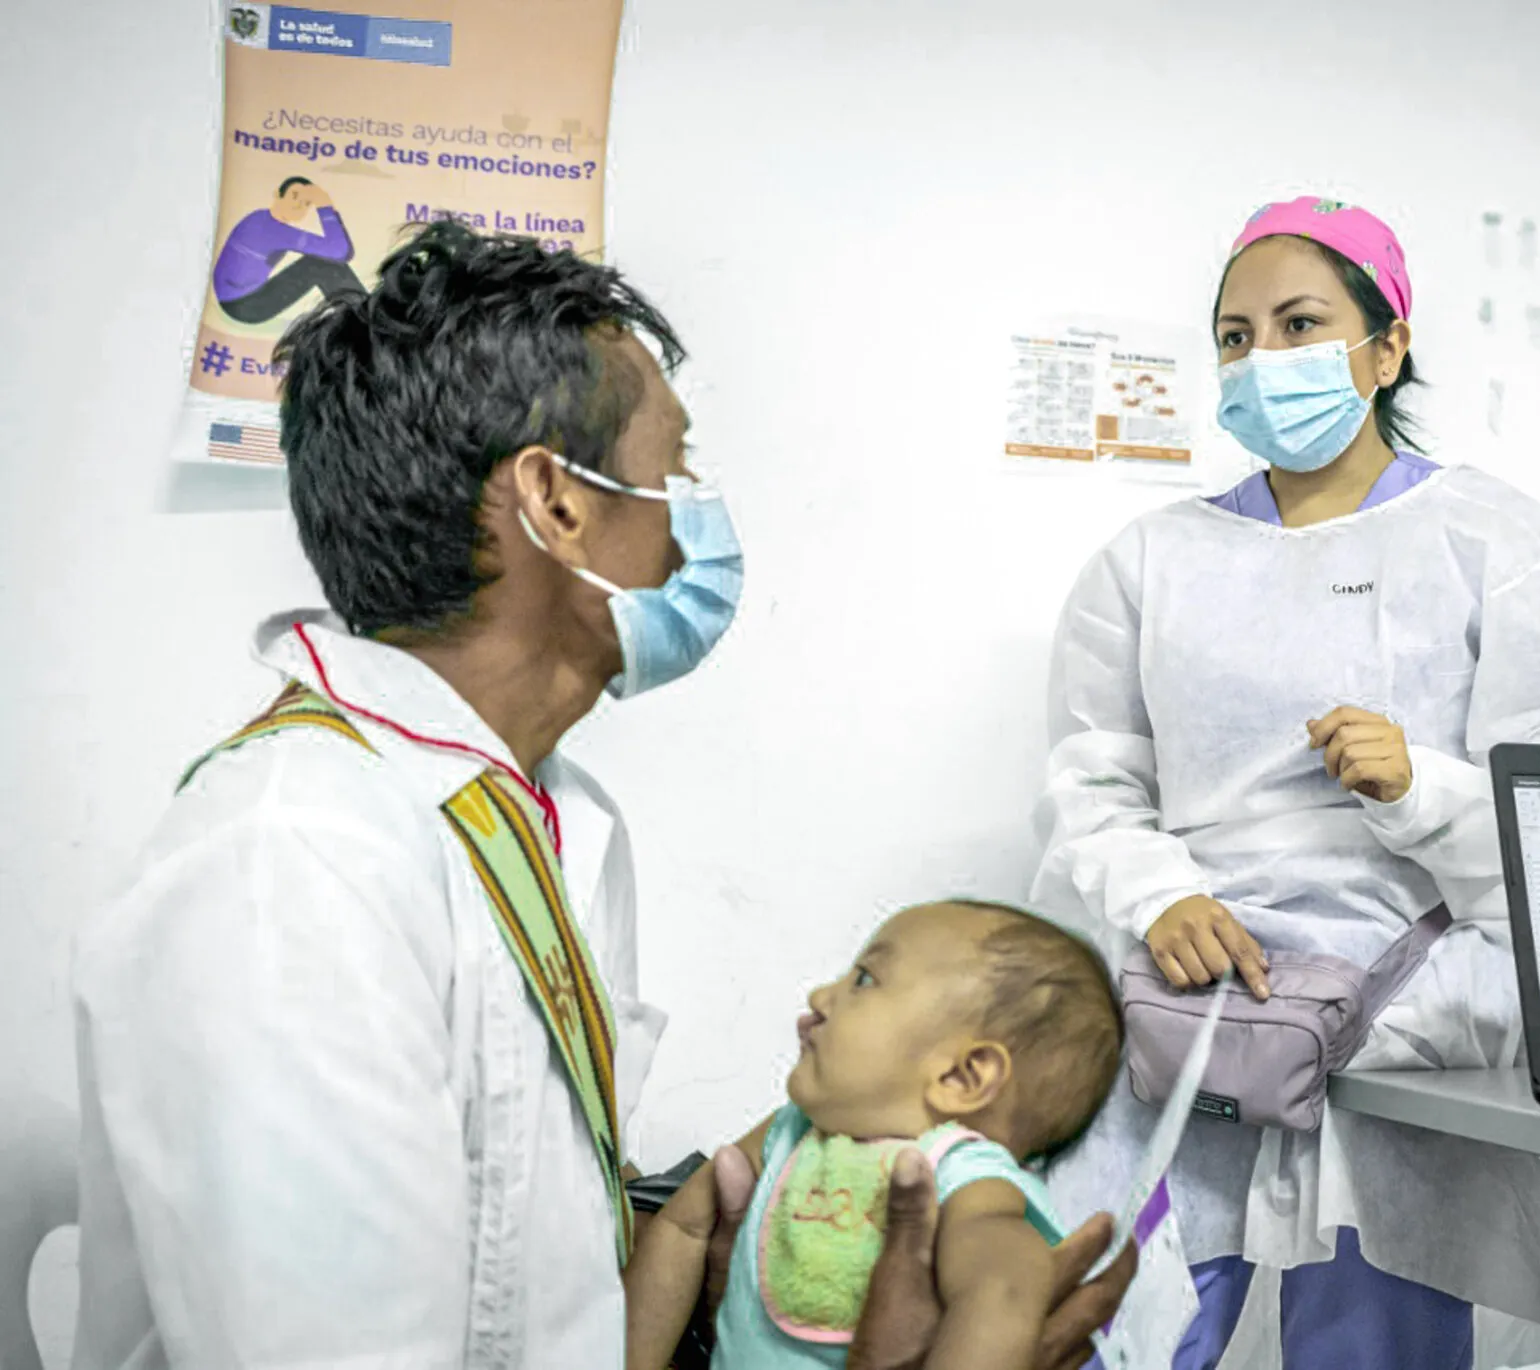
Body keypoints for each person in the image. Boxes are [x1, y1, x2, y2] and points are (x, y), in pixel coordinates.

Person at [71, 222, 1131, 1369]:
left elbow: (509, 1234)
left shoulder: (538, 811)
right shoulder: (294, 865)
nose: (696, 520)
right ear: (557, 503)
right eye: (674, 470)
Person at [1032, 196, 1540, 1368]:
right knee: (1129, 1323)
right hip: (1189, 1001)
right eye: (1237, 337)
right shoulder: (1147, 561)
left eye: (1300, 324)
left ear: (1387, 344)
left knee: (1372, 1327)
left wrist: (1421, 790)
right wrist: (1161, 897)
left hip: (1400, 1009)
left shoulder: (1496, 541)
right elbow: (1089, 781)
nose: (1264, 360)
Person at [626, 901, 1124, 1370]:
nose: (820, 996)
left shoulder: (959, 1172)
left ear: (962, 1077)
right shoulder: (794, 1130)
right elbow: (682, 1228)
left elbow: (1002, 1288)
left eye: (864, 979)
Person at [212, 176, 364, 325]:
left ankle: (364, 317)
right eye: (295, 196)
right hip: (244, 305)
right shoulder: (273, 229)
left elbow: (341, 251)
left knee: (320, 261)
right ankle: (368, 319)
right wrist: (324, 205)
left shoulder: (260, 217)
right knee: (320, 265)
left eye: (307, 203)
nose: (299, 205)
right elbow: (340, 251)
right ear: (278, 194)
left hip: (235, 299)